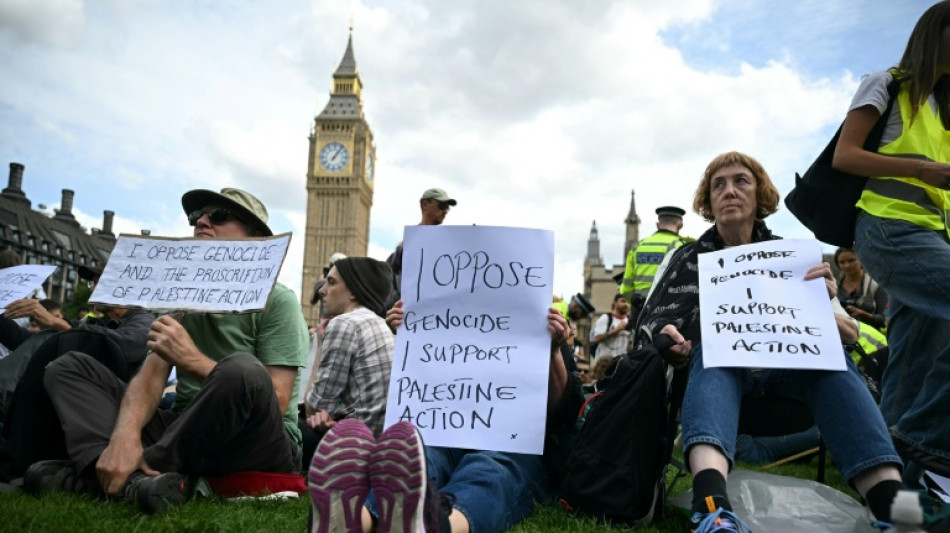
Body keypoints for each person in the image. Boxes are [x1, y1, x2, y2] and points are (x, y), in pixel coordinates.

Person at [637, 152, 907, 532]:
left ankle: (895, 510)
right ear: (709, 202)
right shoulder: (682, 260)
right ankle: (712, 507)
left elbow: (848, 334)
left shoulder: (796, 259)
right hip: (711, 382)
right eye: (719, 185)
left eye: (741, 181)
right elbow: (651, 328)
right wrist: (672, 342)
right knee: (716, 352)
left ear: (759, 194)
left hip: (789, 384)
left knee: (831, 361)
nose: (730, 191)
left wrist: (821, 302)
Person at [21, 187, 309, 514]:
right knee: (68, 366)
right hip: (186, 429)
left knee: (242, 369)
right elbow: (149, 381)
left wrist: (192, 360)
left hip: (260, 441)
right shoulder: (180, 302)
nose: (201, 221)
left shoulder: (279, 302)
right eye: (195, 217)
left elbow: (276, 397)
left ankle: (117, 472)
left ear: (255, 237)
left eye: (219, 216)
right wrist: (124, 437)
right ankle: (120, 471)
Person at [307, 306, 583, 533]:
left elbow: (564, 411)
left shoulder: (539, 321)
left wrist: (553, 351)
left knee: (490, 471)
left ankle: (438, 525)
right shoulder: (441, 313)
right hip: (446, 434)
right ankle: (353, 519)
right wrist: (409, 334)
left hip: (512, 441)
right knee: (416, 459)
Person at [831, 1, 950, 482]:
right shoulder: (886, 83)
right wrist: (923, 170)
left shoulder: (944, 111)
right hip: (888, 230)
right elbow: (846, 154)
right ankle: (925, 438)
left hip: (929, 237)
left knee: (910, 363)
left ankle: (889, 478)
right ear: (936, 33)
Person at [304, 256, 395, 438]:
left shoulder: (345, 324)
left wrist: (320, 347)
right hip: (384, 434)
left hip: (361, 441)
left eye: (331, 282)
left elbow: (314, 410)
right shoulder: (380, 324)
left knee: (294, 430)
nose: (322, 290)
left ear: (353, 292)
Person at [383, 188, 457, 311]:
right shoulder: (404, 248)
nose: (446, 211)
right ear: (425, 205)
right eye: (442, 205)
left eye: (448, 207)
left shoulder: (450, 244)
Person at [619, 205, 688, 319]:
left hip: (640, 312)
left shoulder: (638, 247)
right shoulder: (680, 247)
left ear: (657, 224)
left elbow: (625, 288)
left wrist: (635, 301)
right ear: (680, 225)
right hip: (668, 312)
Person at [834, 248, 888, 330]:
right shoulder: (834, 288)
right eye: (842, 262)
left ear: (862, 260)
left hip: (870, 339)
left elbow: (886, 319)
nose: (847, 265)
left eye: (851, 260)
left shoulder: (876, 287)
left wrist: (863, 314)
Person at [589, 294, 631, 361]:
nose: (626, 304)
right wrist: (616, 330)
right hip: (605, 364)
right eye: (623, 301)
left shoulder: (630, 321)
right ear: (615, 303)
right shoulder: (606, 318)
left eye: (628, 302)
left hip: (622, 364)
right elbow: (597, 339)